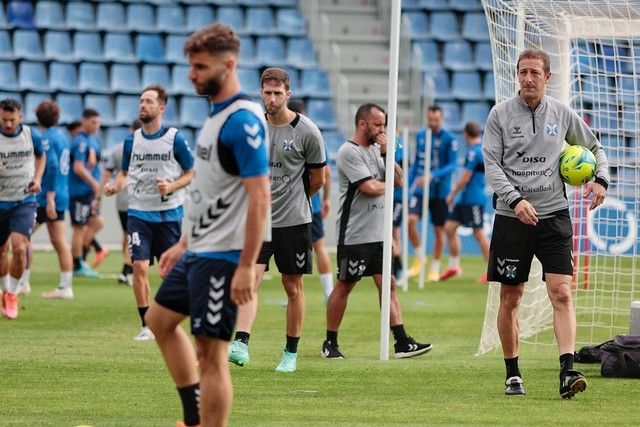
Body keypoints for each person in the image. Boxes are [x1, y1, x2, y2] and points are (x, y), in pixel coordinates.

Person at [144, 23, 270, 427]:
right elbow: (210, 190)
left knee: (212, 356)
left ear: (228, 65)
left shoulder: (242, 121)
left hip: (224, 256)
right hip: (198, 249)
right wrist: (183, 243)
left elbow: (260, 196)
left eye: (199, 66)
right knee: (158, 321)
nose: (191, 74)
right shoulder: (216, 116)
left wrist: (247, 264)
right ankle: (193, 417)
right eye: (190, 65)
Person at [483, 48, 609, 399]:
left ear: (547, 77)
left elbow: (595, 148)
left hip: (554, 217)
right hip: (512, 218)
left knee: (562, 292)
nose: (527, 78)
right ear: (517, 76)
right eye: (522, 72)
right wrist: (516, 200)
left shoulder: (562, 113)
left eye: (534, 73)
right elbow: (492, 166)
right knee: (510, 297)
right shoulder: (499, 115)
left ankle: (567, 372)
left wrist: (601, 180)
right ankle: (512, 374)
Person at [229, 68, 326, 373]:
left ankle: (290, 353)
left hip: (294, 221)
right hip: (258, 220)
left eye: (277, 93)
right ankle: (241, 343)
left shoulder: (308, 132)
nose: (271, 98)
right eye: (266, 92)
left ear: (288, 94)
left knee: (292, 286)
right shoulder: (253, 127)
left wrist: (293, 199)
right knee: (251, 279)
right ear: (260, 93)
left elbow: (318, 179)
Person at [322, 103, 432, 359]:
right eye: (378, 124)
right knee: (345, 286)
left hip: (379, 234)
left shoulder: (377, 150)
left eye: (384, 124)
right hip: (355, 234)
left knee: (389, 286)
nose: (382, 129)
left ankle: (401, 341)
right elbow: (369, 187)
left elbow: (400, 179)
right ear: (362, 124)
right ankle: (330, 342)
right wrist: (389, 184)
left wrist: (386, 155)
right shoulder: (349, 152)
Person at [104, 85, 194, 342]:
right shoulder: (132, 140)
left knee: (170, 271)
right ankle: (147, 325)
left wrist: (172, 185)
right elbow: (124, 174)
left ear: (162, 107)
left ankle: (168, 319)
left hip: (168, 213)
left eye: (148, 101)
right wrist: (115, 187)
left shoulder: (175, 139)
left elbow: (190, 173)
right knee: (140, 266)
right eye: (141, 101)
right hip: (139, 212)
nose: (142, 105)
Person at [0, 98, 45, 319]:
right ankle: (4, 288)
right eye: (4, 119)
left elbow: (41, 155)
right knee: (1, 251)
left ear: (20, 117)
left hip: (24, 200)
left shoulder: (31, 135)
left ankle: (12, 294)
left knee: (19, 247)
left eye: (12, 119)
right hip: (1, 200)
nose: (8, 124)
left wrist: (37, 178)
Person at [287, 97, 334, 302]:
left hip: (291, 205)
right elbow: (327, 174)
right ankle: (328, 292)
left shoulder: (285, 134)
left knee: (293, 253)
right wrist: (326, 199)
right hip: (311, 203)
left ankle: (295, 295)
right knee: (319, 246)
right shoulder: (313, 134)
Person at [28, 101, 75, 300]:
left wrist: (49, 198)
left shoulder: (45, 137)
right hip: (62, 192)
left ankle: (22, 282)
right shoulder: (63, 136)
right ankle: (66, 287)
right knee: (59, 241)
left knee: (22, 236)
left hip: (46, 195)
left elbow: (53, 166)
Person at [407, 106, 458, 281]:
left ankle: (435, 268)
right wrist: (410, 182)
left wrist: (433, 176)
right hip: (420, 189)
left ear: (441, 119)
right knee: (410, 221)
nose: (433, 123)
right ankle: (420, 257)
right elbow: (416, 162)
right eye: (430, 119)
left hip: (440, 191)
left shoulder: (449, 139)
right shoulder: (421, 135)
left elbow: (452, 165)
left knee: (439, 231)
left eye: (436, 120)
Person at [439, 122, 490, 283]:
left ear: (466, 134)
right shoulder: (478, 150)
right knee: (449, 228)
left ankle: (491, 271)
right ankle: (454, 266)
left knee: (479, 234)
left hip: (473, 199)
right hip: (465, 199)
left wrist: (453, 193)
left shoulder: (474, 153)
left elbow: (466, 177)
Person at [102, 119, 142, 287]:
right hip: (138, 199)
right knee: (133, 236)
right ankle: (128, 270)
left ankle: (127, 268)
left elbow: (107, 172)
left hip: (122, 199)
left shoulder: (118, 149)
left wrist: (101, 192)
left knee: (126, 235)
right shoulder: (147, 149)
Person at [68, 109, 102, 278]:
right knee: (79, 228)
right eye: (93, 122)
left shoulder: (93, 141)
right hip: (79, 192)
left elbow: (95, 163)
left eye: (98, 122)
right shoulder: (80, 141)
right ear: (85, 121)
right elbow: (78, 167)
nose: (97, 126)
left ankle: (81, 257)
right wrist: (94, 183)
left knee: (97, 222)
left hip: (89, 193)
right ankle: (76, 264)